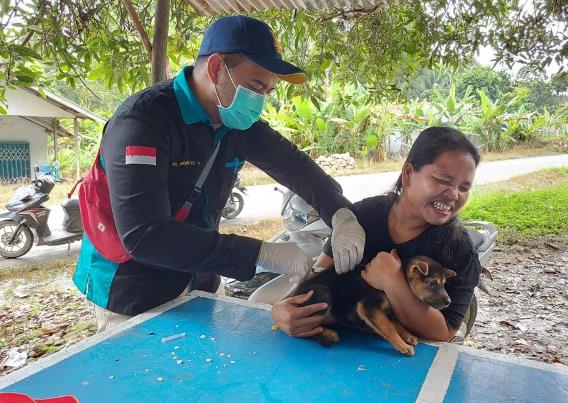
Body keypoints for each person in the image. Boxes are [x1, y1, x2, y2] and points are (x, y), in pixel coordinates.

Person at [73, 15, 366, 332]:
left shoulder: (238, 125)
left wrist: (340, 213)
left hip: (200, 279)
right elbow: (144, 234)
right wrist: (261, 253)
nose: (260, 101)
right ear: (215, 69)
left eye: (267, 91)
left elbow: (298, 169)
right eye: (255, 86)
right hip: (132, 288)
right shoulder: (143, 121)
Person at [271, 127, 482, 342]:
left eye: (464, 188)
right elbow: (322, 271)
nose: (453, 195)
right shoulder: (362, 216)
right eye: (443, 181)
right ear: (408, 173)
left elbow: (443, 332)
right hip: (342, 341)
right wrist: (283, 308)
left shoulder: (458, 250)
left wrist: (393, 282)